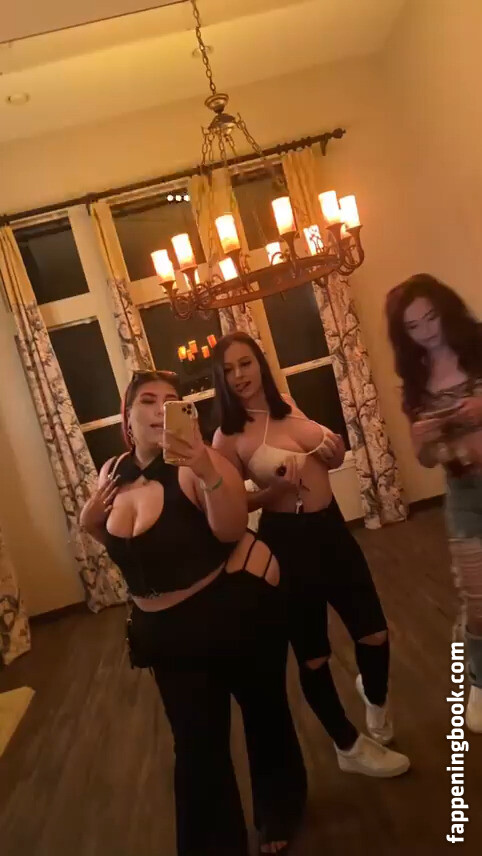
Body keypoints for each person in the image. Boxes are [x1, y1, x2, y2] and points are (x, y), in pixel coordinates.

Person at [80, 370, 307, 856]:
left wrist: (205, 467)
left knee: (264, 714)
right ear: (126, 417)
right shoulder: (112, 472)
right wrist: (90, 522)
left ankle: (279, 808)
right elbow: (124, 552)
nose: (160, 408)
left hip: (231, 616)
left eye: (171, 400)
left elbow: (229, 530)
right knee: (196, 747)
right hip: (163, 637)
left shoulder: (199, 464)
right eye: (147, 400)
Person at [211, 332, 410, 778]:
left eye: (245, 363)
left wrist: (333, 452)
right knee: (313, 654)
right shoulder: (227, 436)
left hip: (331, 528)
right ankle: (347, 745)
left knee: (374, 632)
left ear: (260, 363)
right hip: (287, 542)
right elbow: (231, 503)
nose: (239, 375)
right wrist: (271, 492)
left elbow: (321, 458)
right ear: (220, 380)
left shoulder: (285, 403)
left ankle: (375, 697)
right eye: (228, 370)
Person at [386, 273, 482, 732]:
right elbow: (424, 459)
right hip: (464, 492)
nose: (427, 331)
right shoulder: (416, 381)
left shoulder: (477, 348)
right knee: (477, 599)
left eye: (431, 317)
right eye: (414, 326)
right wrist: (423, 439)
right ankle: (479, 681)